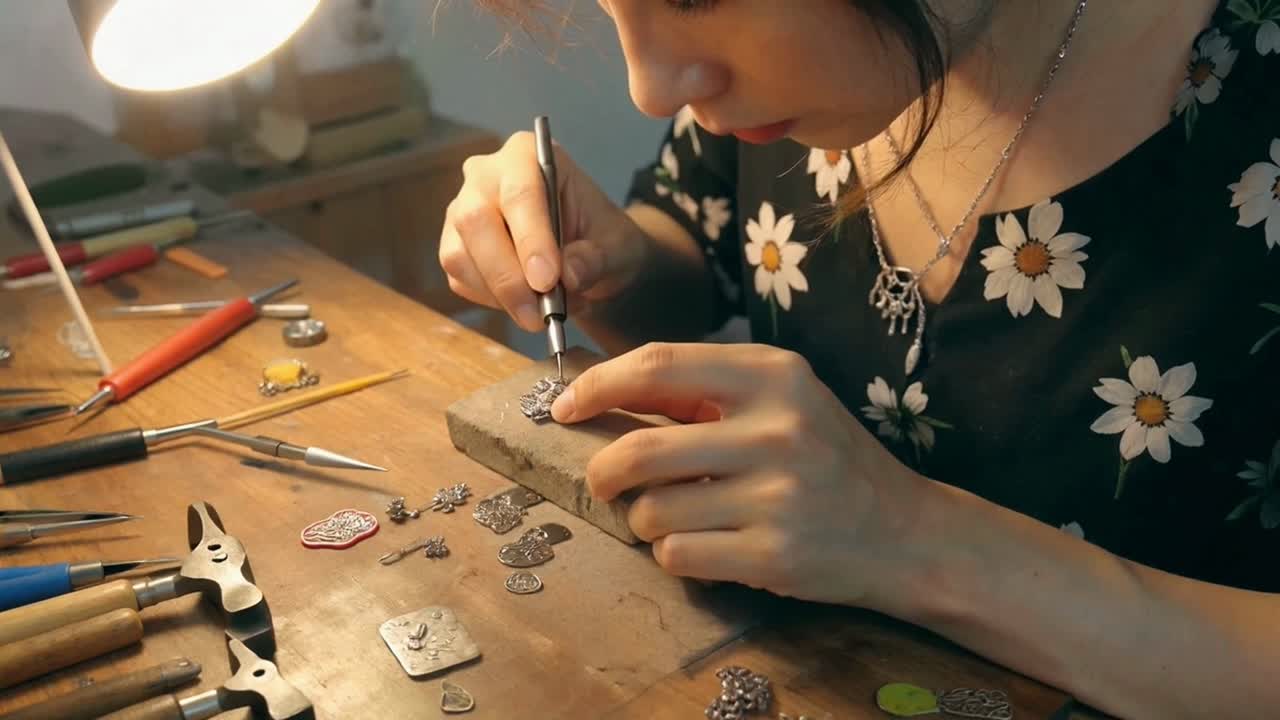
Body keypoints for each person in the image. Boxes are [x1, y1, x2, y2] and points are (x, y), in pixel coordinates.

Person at [440, 1, 1279, 715]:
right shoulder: (785, 95)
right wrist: (607, 266)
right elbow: (703, 253)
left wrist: (908, 537)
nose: (651, 90)